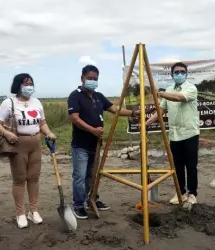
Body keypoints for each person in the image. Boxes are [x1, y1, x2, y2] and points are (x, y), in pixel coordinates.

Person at [67, 65, 140, 219]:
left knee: (92, 175)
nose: (92, 81)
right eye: (90, 78)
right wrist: (92, 129)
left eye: (95, 79)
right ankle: (78, 205)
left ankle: (92, 198)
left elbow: (115, 109)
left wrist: (132, 113)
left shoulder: (99, 96)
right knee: (80, 176)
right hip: (81, 145)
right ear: (82, 79)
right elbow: (75, 118)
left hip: (96, 144)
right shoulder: (75, 96)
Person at [0, 74, 56, 229]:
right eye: (25, 83)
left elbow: (42, 122)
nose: (29, 86)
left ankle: (33, 211)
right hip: (17, 144)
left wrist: (48, 133)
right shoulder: (9, 103)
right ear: (18, 86)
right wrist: (7, 133)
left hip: (35, 143)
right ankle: (20, 213)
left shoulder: (37, 102)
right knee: (20, 179)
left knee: (34, 178)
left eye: (31, 83)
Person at [146, 62, 199, 205]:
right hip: (174, 135)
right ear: (172, 75)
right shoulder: (169, 89)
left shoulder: (191, 88)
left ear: (186, 74)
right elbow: (161, 111)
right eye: (177, 72)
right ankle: (180, 192)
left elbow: (179, 98)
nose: (179, 74)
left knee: (191, 165)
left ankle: (192, 193)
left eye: (182, 72)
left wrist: (161, 93)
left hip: (190, 133)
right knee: (177, 166)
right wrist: (146, 124)